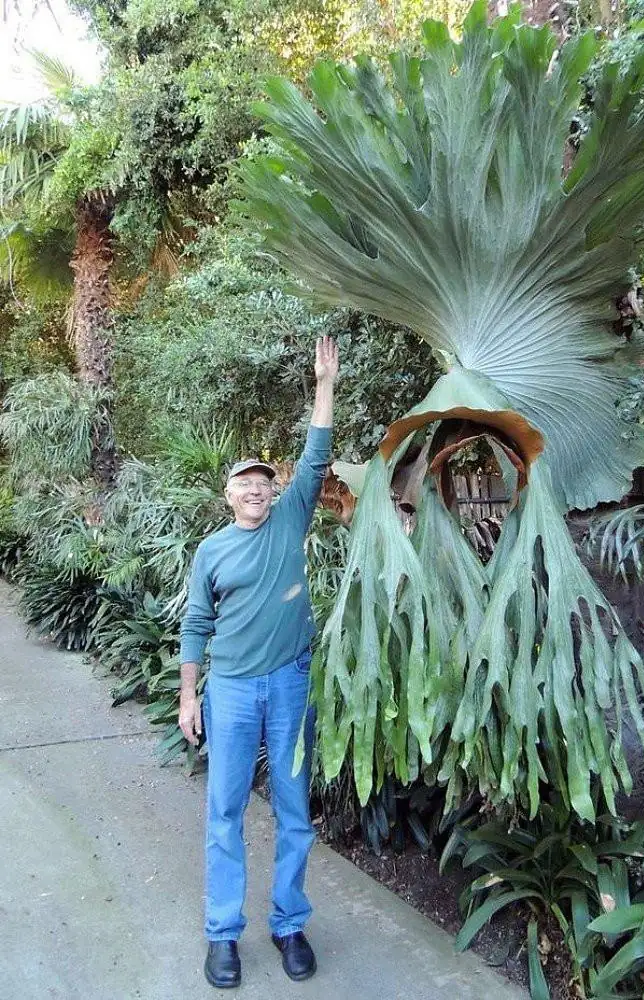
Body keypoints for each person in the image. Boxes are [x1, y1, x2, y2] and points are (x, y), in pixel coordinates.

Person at [178, 336, 338, 988]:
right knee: (225, 812)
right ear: (228, 494)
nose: (255, 489)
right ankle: (223, 935)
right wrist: (189, 696)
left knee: (294, 809)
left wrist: (324, 385)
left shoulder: (291, 516)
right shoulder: (212, 552)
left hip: (291, 683)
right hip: (233, 691)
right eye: (244, 483)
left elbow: (317, 453)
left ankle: (288, 924)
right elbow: (196, 624)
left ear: (275, 492)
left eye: (263, 482)